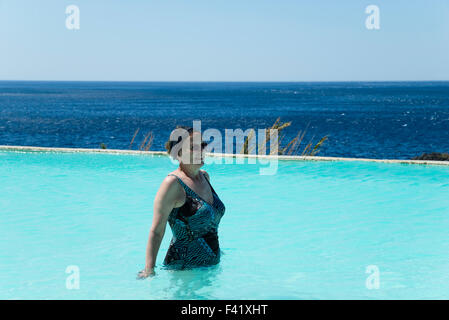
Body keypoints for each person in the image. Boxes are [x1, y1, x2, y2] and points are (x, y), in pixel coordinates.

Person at [137, 126, 225, 278]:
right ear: (177, 154)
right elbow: (157, 231)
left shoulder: (205, 177)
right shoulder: (172, 184)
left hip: (210, 267)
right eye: (193, 147)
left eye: (202, 145)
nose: (201, 150)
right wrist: (149, 270)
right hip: (184, 271)